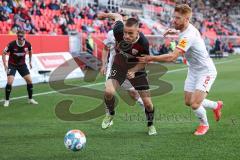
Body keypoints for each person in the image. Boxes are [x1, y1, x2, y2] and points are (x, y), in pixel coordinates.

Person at [138, 4, 223, 136]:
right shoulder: (185, 28)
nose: (174, 20)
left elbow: (172, 56)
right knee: (188, 101)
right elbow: (183, 32)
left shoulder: (188, 36)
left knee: (195, 104)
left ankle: (204, 124)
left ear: (186, 19)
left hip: (206, 71)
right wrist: (174, 31)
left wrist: (151, 58)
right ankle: (216, 106)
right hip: (193, 70)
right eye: (174, 17)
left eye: (177, 18)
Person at [98, 12, 157, 135]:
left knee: (148, 104)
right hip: (119, 65)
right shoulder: (118, 30)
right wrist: (105, 14)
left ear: (137, 31)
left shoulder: (143, 43)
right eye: (125, 32)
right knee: (108, 91)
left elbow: (144, 61)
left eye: (130, 33)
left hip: (137, 70)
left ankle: (150, 125)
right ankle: (110, 114)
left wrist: (134, 71)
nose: (126, 36)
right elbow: (117, 16)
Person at [100, 16, 144, 110]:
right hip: (113, 66)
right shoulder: (111, 34)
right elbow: (105, 48)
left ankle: (140, 101)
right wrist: (103, 65)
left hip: (126, 67)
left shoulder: (133, 36)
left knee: (132, 92)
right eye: (123, 21)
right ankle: (109, 112)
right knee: (109, 91)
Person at [2, 29, 38, 107]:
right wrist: (5, 65)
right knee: (10, 82)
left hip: (22, 65)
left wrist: (30, 61)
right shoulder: (11, 44)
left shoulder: (28, 44)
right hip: (12, 65)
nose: (21, 39)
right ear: (17, 37)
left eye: (22, 37)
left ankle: (30, 99)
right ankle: (7, 100)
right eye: (19, 37)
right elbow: (3, 53)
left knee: (29, 81)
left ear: (24, 37)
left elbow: (31, 51)